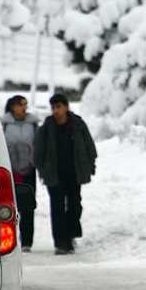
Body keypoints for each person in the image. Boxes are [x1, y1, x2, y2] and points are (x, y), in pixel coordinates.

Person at [33, 94, 97, 255]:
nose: (56, 111)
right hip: (54, 174)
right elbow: (38, 152)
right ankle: (60, 243)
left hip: (74, 173)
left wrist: (89, 165)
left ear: (66, 107)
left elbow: (89, 147)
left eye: (59, 107)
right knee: (58, 207)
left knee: (75, 206)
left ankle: (70, 237)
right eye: (53, 107)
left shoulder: (77, 124)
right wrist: (42, 169)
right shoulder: (47, 127)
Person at [1, 95, 40, 252]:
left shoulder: (33, 124)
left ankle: (27, 242)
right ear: (12, 107)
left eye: (25, 104)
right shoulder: (3, 125)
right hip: (10, 171)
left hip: (29, 171)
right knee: (8, 206)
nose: (23, 107)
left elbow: (38, 145)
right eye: (20, 104)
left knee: (27, 206)